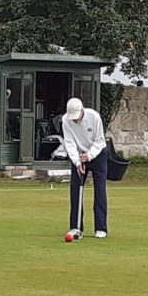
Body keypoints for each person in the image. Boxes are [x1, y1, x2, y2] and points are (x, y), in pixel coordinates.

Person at [61, 97, 108, 238]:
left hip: (98, 154)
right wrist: (77, 162)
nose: (75, 120)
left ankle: (101, 228)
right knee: (75, 189)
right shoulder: (66, 120)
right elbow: (69, 143)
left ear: (82, 110)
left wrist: (90, 155)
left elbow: (100, 141)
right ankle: (75, 227)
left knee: (100, 189)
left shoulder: (94, 117)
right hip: (79, 156)